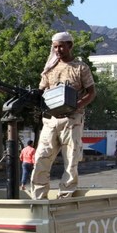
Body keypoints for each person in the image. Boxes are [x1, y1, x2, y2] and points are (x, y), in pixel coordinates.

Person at [31, 32, 96, 199]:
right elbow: (40, 92)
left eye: (61, 46)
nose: (58, 50)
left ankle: (65, 196)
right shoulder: (49, 68)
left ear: (69, 46)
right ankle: (39, 197)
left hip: (71, 120)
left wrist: (76, 106)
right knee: (41, 158)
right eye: (55, 47)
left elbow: (91, 93)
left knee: (71, 159)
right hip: (51, 120)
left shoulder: (80, 67)